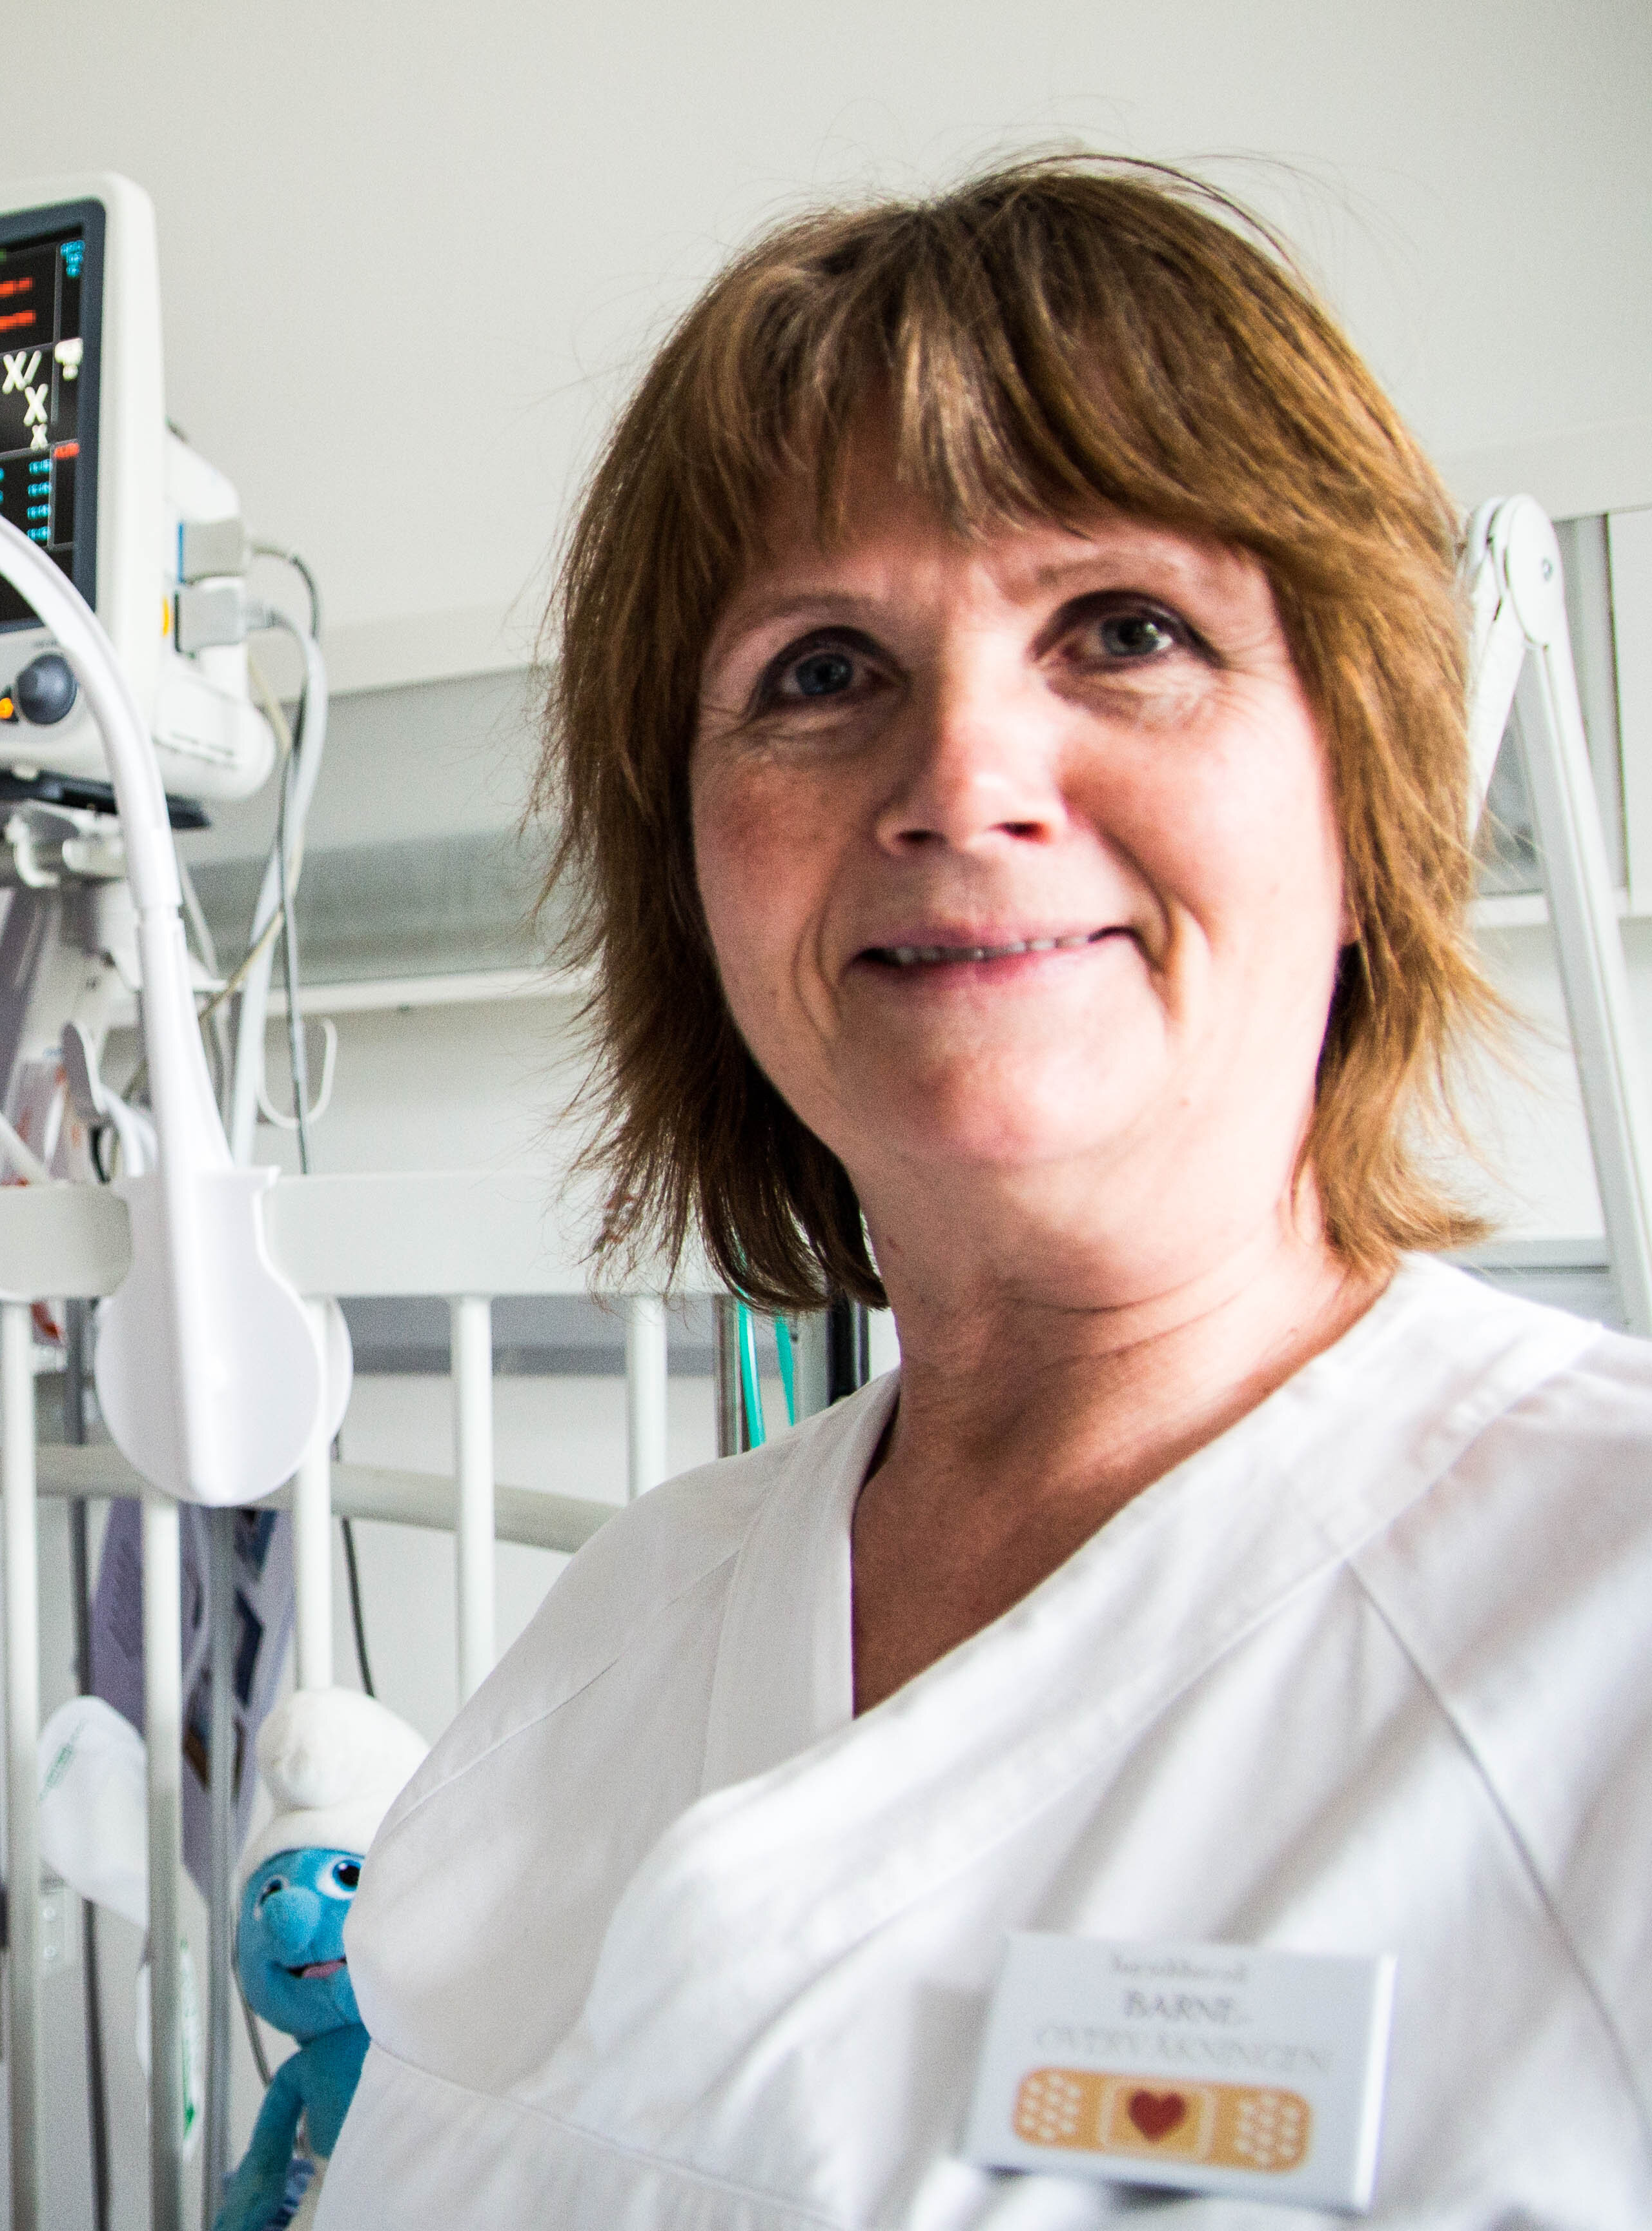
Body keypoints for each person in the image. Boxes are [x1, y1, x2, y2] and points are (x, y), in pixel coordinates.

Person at [321, 158, 1652, 2225]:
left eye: (1128, 633)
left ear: (1371, 809)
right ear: (696, 878)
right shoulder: (620, 1632)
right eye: (819, 673)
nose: (960, 783)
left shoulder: (1605, 1618)